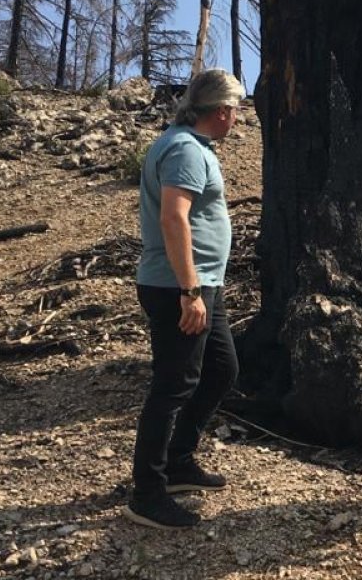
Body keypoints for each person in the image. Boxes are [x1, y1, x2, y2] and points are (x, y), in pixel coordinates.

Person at [125, 69, 245, 529]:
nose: (237, 118)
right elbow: (175, 220)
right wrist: (190, 291)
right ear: (220, 111)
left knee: (220, 369)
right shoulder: (184, 151)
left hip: (200, 285)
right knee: (172, 385)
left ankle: (178, 462)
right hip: (180, 287)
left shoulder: (189, 147)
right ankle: (147, 493)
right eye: (235, 110)